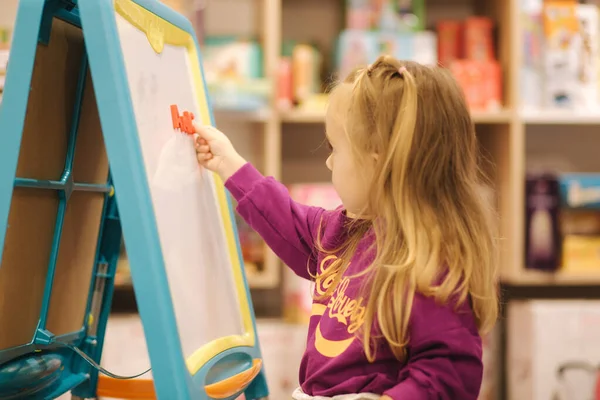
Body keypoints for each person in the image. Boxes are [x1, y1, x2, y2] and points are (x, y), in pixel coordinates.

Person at [194, 55, 499, 400]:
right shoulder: (349, 231)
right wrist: (231, 166)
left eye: (334, 148)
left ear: (377, 160)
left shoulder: (431, 264)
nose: (328, 160)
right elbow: (292, 224)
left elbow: (449, 374)